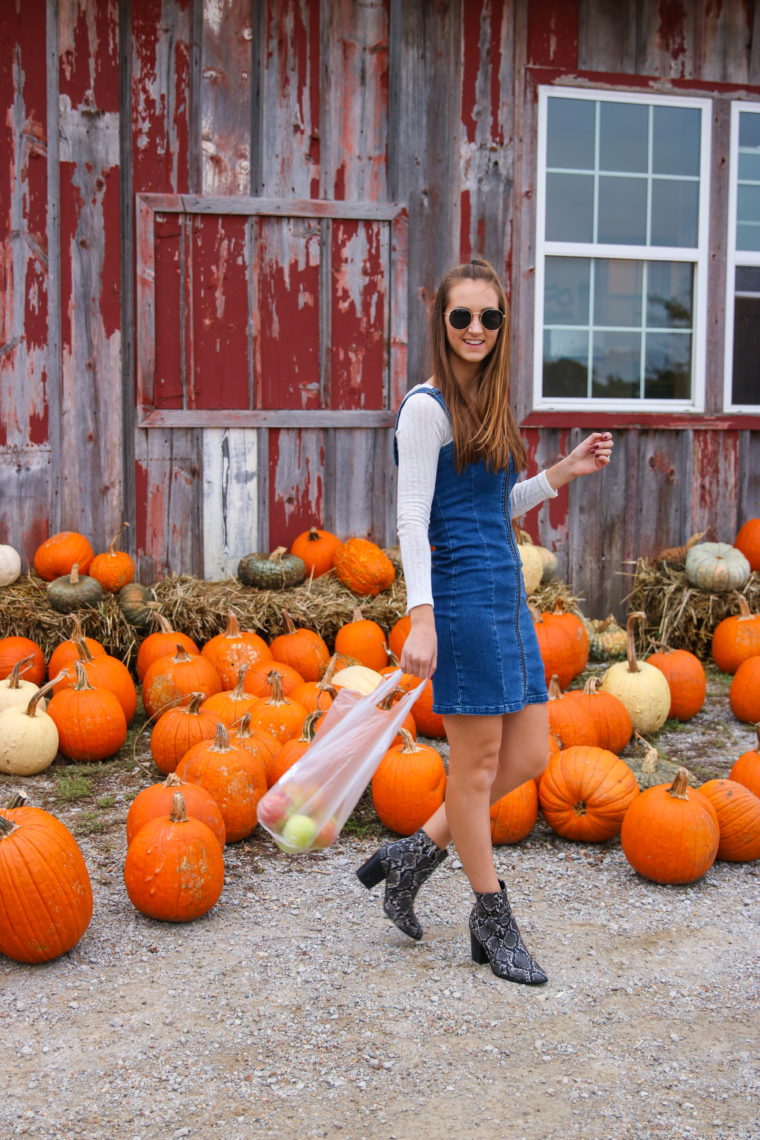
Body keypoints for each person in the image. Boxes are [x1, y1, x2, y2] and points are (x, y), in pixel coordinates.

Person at [356, 256, 614, 984]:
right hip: (461, 601)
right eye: (462, 316)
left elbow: (490, 506)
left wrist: (559, 475)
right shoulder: (426, 407)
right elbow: (414, 517)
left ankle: (410, 856)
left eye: (489, 317)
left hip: (505, 594)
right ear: (442, 323)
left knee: (530, 755)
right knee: (472, 773)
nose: (476, 328)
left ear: (503, 325)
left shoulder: (490, 403)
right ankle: (491, 918)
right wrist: (423, 617)